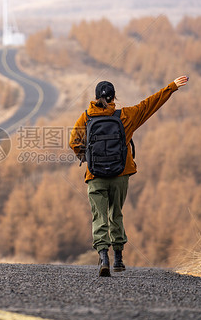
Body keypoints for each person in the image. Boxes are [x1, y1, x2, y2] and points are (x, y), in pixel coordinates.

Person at [69, 76, 188, 276]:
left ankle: (103, 257)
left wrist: (87, 157)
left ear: (95, 97)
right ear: (115, 97)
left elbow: (74, 142)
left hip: (95, 174)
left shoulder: (86, 117)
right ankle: (119, 259)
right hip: (120, 174)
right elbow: (150, 104)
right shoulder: (126, 116)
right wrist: (171, 87)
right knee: (116, 212)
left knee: (99, 216)